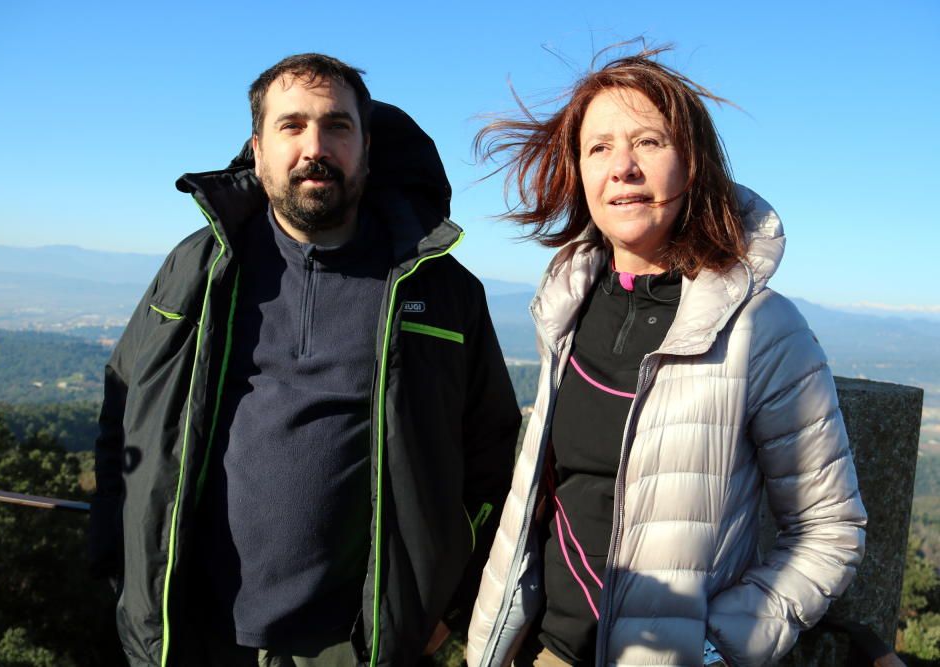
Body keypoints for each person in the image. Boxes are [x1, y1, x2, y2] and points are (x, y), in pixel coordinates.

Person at [89, 53, 521, 667]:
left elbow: (491, 458)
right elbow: (124, 409)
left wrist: (445, 606)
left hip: (355, 643)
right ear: (258, 149)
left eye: (337, 126)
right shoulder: (198, 269)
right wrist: (119, 563)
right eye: (291, 126)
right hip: (194, 632)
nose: (314, 146)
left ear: (366, 148)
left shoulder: (440, 289)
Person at [465, 47, 867, 667]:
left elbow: (829, 530)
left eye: (648, 142)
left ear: (694, 165)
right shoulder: (564, 306)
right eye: (598, 148)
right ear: (578, 171)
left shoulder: (761, 327)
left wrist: (719, 646)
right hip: (541, 650)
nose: (621, 167)